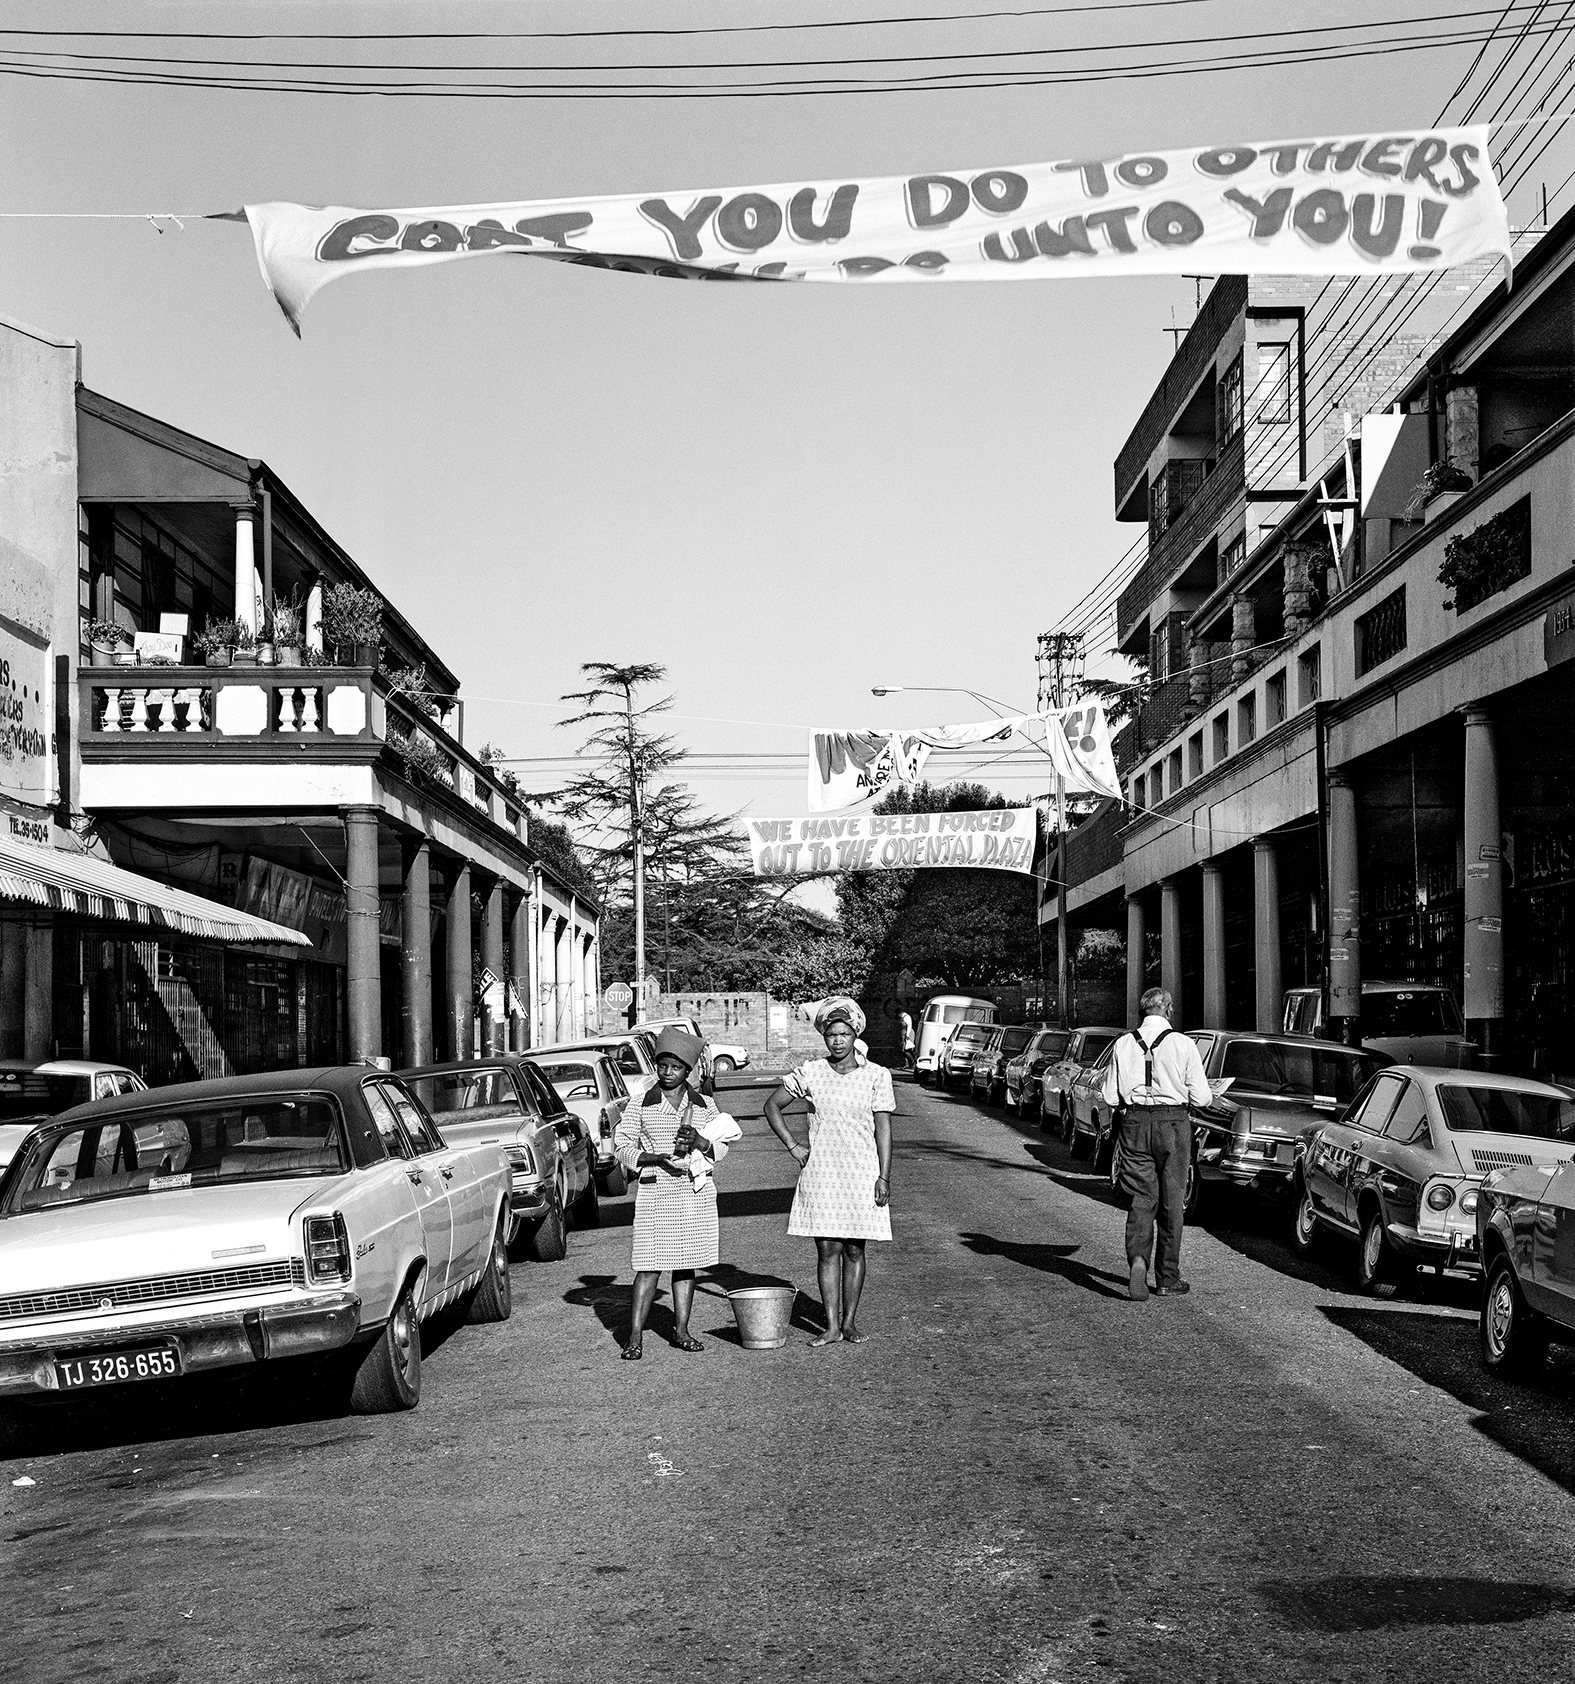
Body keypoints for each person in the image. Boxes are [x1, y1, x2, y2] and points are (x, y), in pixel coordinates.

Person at [763, 996, 894, 1347]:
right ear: (824, 1036)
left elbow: (883, 1129)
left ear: (855, 1035)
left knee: (854, 1249)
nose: (837, 1040)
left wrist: (884, 1176)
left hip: (862, 1174)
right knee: (827, 1249)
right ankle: (831, 1326)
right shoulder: (811, 1073)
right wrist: (794, 1146)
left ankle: (849, 1322)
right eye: (831, 1034)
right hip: (822, 1175)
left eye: (844, 1033)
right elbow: (772, 1105)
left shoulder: (877, 1076)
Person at [612, 1025, 740, 1360]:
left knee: (686, 1264)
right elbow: (622, 1146)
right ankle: (635, 1336)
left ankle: (681, 1330)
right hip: (656, 1191)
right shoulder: (641, 1104)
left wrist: (701, 1142)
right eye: (663, 1065)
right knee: (649, 1264)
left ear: (689, 1071)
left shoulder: (705, 1105)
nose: (668, 1073)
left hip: (694, 1192)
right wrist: (653, 1157)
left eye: (676, 1067)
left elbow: (722, 1148)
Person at [1101, 986, 1212, 1301]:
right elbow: (1202, 1097)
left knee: (1141, 1197)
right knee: (1172, 1201)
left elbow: (1110, 1095)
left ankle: (1138, 1258)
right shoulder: (1183, 1044)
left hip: (1135, 1123)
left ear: (1142, 1011)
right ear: (1170, 1010)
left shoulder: (1123, 1043)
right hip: (1174, 1124)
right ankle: (1167, 1277)